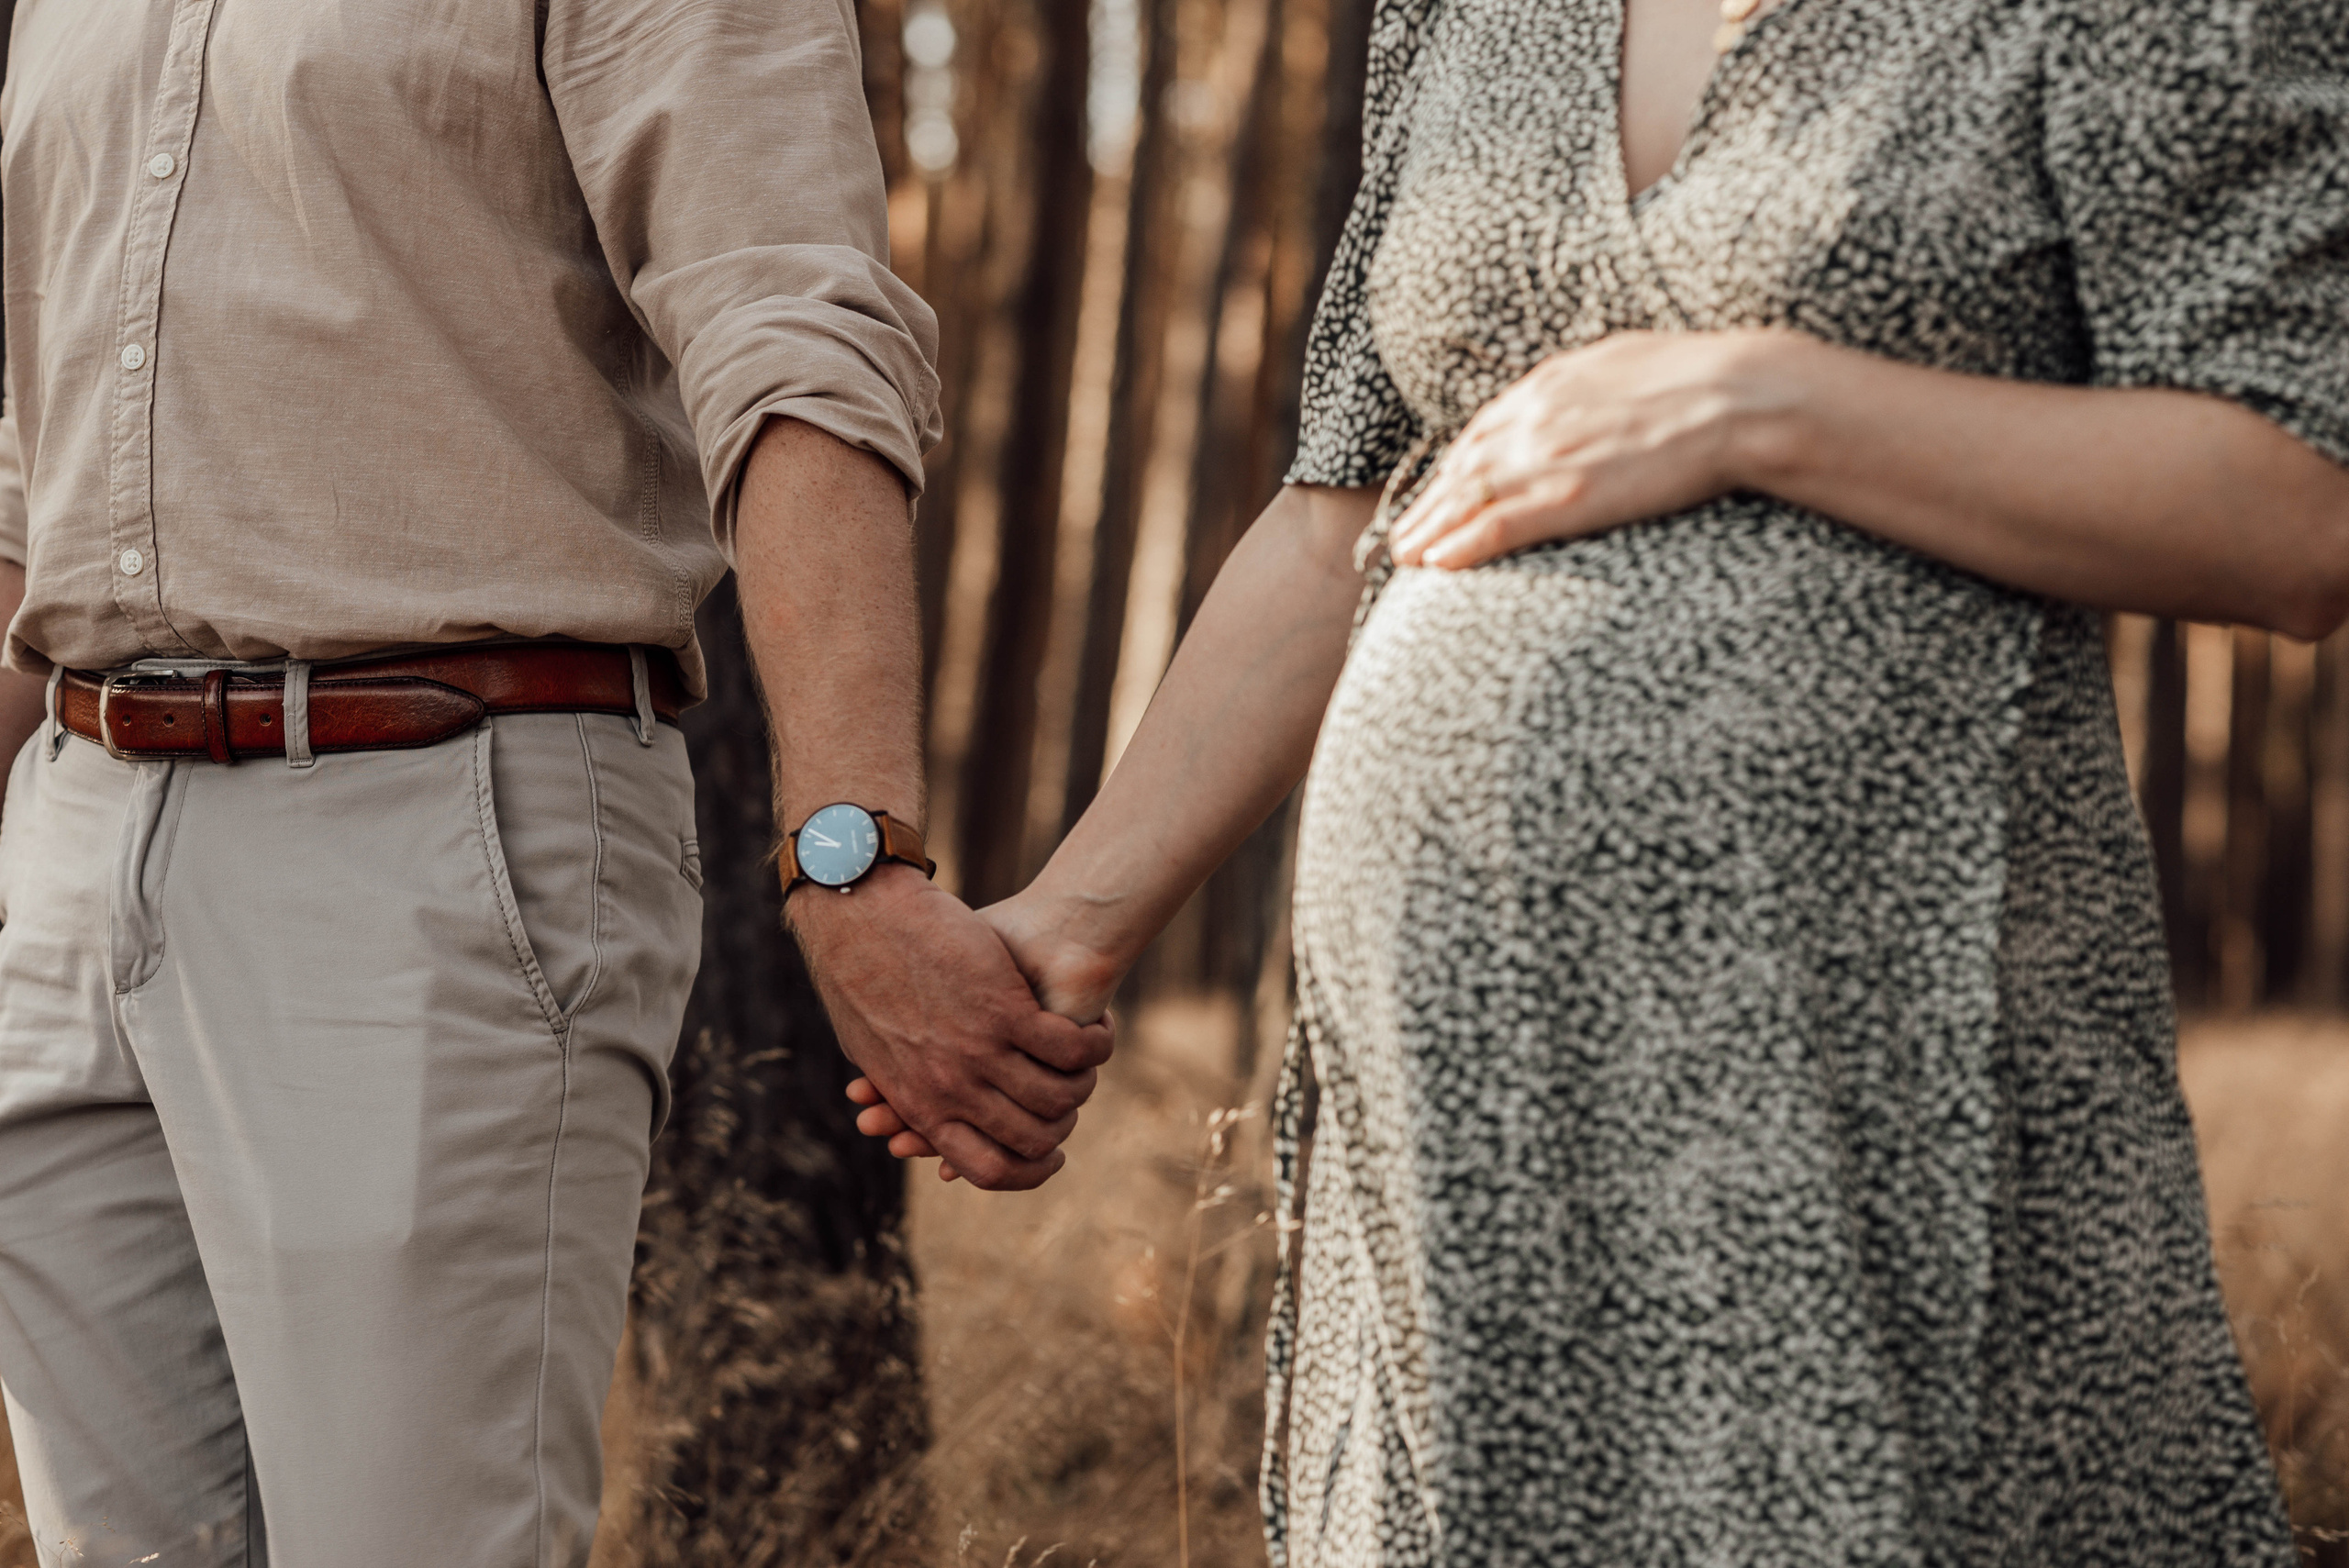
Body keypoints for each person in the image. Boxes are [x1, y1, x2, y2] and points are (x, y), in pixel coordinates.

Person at [852, 0, 2349, 1558]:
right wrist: (1071, 928)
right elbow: (1334, 522)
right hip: (1462, 1094)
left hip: (1879, 1060)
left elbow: (2295, 502)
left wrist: (1764, 406)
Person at [0, 2, 1108, 1562]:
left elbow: (791, 326)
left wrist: (853, 859)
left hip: (426, 835)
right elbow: (34, 461)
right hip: (70, 854)